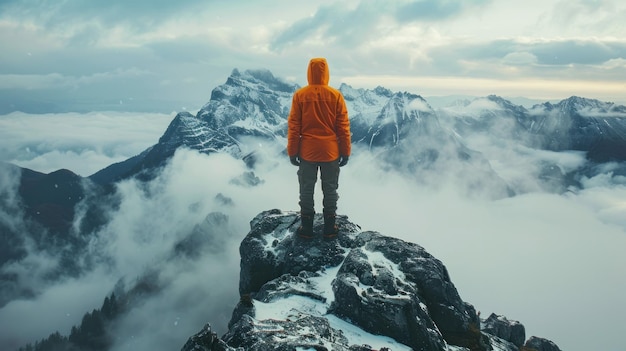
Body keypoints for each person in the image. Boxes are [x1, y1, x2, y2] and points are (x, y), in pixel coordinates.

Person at [287, 57, 351, 239]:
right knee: (330, 189)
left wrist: (293, 151)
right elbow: (343, 127)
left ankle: (306, 228)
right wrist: (345, 151)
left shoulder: (300, 95)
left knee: (306, 189)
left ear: (309, 72)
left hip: (307, 152)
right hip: (330, 152)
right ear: (326, 73)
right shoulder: (336, 95)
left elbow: (294, 127)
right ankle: (330, 228)